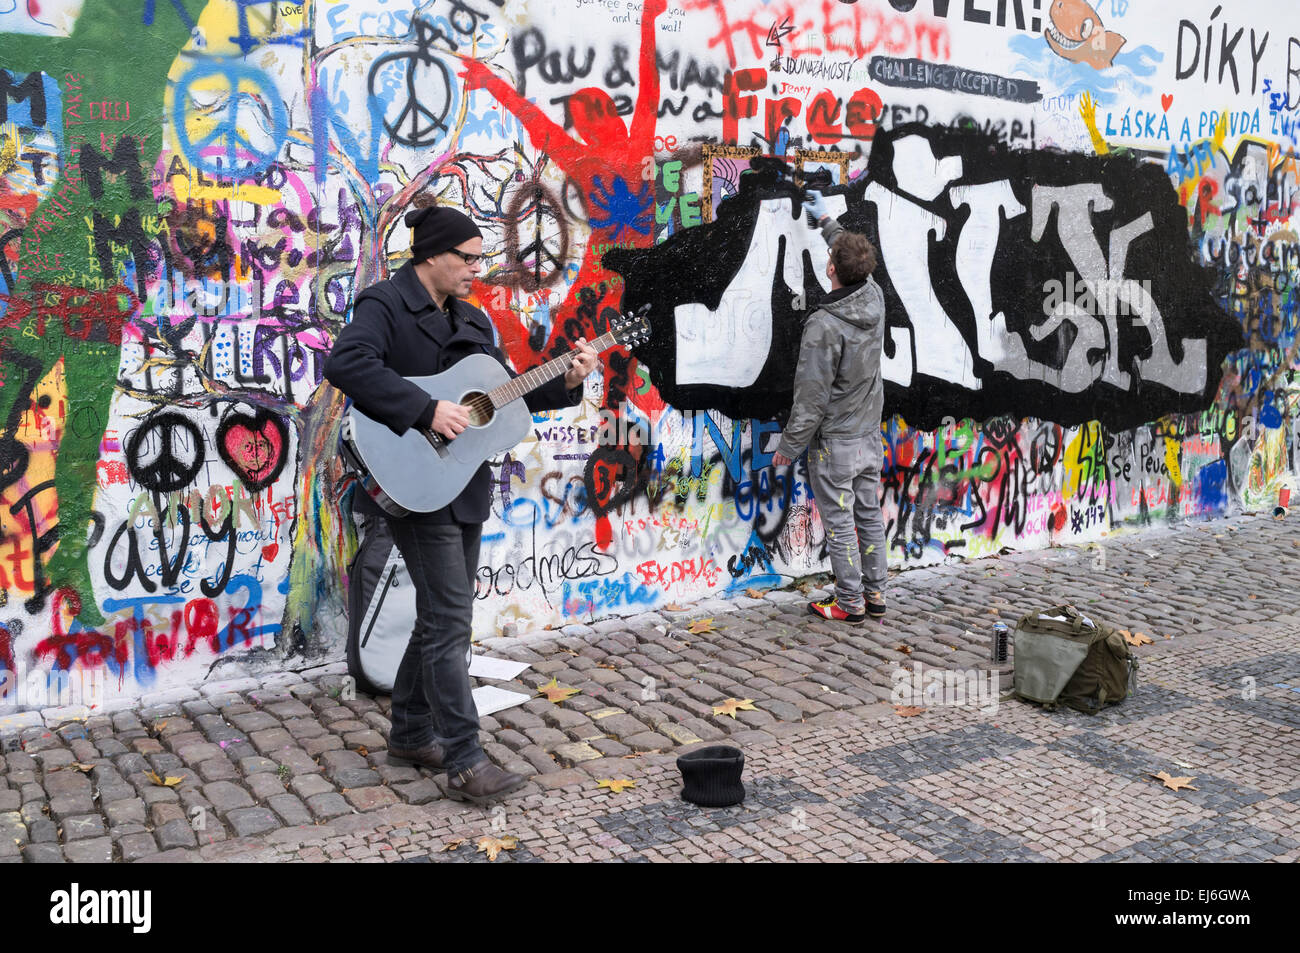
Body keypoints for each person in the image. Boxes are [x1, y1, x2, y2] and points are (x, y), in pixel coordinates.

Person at [324, 205, 600, 804]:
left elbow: (502, 396)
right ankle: (465, 762)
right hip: (415, 490)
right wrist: (425, 410)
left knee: (437, 618)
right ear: (431, 256)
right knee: (451, 623)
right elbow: (346, 363)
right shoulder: (385, 304)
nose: (479, 268)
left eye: (481, 258)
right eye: (469, 258)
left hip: (461, 486)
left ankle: (409, 733)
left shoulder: (472, 320)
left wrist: (569, 380)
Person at [772, 191, 888, 624]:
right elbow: (851, 257)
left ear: (830, 269)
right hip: (868, 437)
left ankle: (849, 603)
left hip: (835, 445)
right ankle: (875, 596)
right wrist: (826, 221)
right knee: (868, 515)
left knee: (840, 525)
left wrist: (788, 447)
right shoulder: (873, 297)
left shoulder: (825, 325)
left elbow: (811, 399)